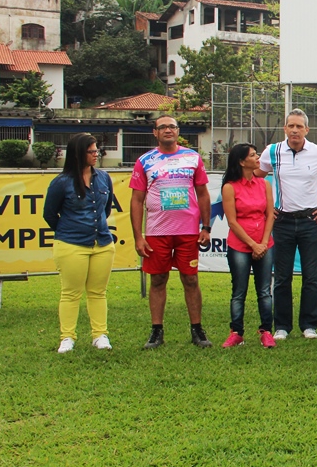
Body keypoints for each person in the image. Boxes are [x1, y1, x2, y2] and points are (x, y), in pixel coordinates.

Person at [257, 109, 317, 341]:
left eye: (299, 126)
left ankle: (309, 325)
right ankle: (282, 326)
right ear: (285, 128)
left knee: (311, 276)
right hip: (282, 221)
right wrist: (266, 207)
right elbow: (255, 177)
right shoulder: (272, 151)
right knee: (282, 277)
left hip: (310, 221)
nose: (295, 130)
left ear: (307, 129)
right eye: (291, 126)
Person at [130, 115, 213, 349]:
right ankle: (156, 331)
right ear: (155, 132)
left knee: (191, 279)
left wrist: (206, 227)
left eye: (172, 126)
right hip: (157, 231)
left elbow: (203, 194)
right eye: (163, 127)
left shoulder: (192, 158)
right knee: (158, 279)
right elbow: (136, 200)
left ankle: (197, 330)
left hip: (188, 231)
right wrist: (138, 236)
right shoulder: (145, 161)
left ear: (178, 131)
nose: (168, 130)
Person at [43, 133, 116, 353]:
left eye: (96, 150)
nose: (96, 155)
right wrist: (69, 231)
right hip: (71, 244)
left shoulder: (104, 178)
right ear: (78, 153)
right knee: (70, 293)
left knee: (98, 292)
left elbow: (105, 209)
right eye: (91, 151)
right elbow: (49, 214)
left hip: (102, 243)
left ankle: (100, 335)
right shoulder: (61, 182)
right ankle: (67, 337)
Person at [221, 143, 276, 348]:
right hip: (240, 245)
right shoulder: (229, 187)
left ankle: (266, 331)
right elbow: (232, 222)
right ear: (242, 162)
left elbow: (270, 214)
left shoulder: (264, 184)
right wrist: (253, 245)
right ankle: (237, 332)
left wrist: (263, 243)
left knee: (264, 291)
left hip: (264, 244)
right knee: (239, 291)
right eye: (253, 155)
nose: (258, 158)